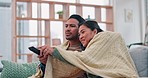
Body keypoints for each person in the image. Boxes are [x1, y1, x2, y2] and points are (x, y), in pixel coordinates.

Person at [44, 20, 139, 78]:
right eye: (79, 34)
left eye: (83, 32)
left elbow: (85, 58)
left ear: (94, 31)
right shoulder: (91, 48)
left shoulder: (107, 36)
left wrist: (55, 51)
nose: (80, 37)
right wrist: (46, 61)